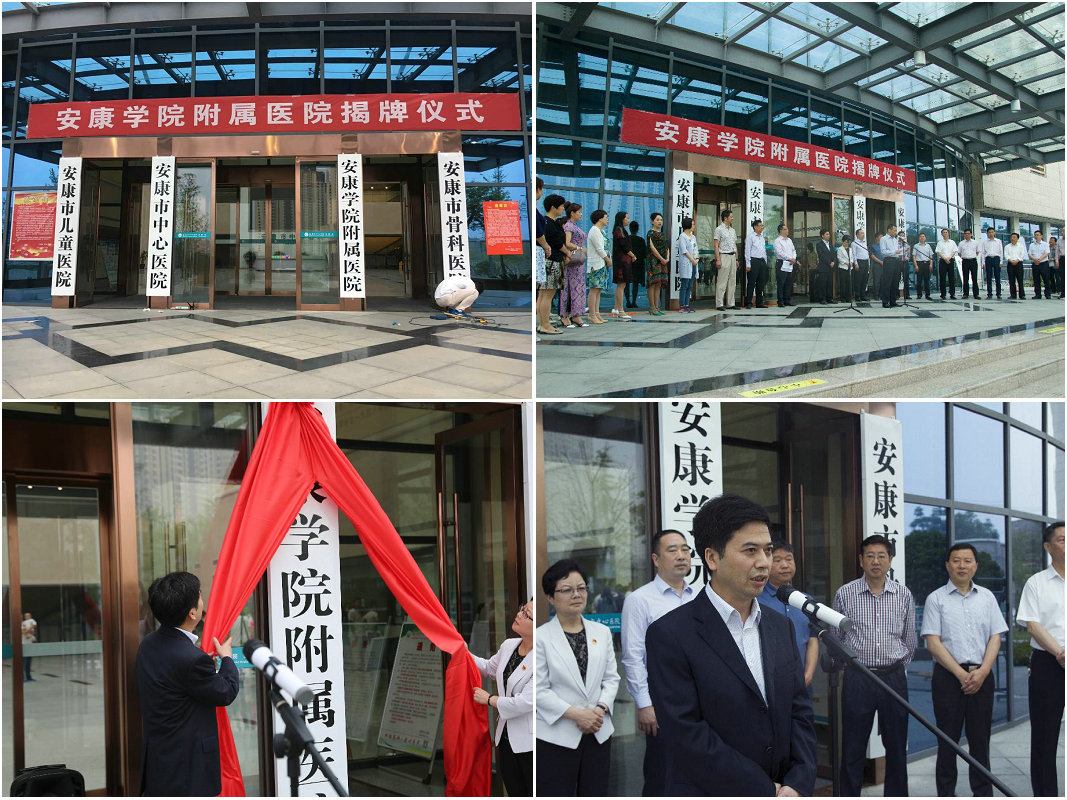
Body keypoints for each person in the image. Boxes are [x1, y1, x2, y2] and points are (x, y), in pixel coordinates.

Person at [646, 494, 817, 796]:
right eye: (750, 550)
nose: (764, 562)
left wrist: (798, 781)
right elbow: (686, 733)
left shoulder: (780, 626)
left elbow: (799, 710)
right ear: (712, 558)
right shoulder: (670, 634)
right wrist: (763, 788)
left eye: (767, 550)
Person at [136, 571, 239, 797]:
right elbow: (226, 692)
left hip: (159, 763)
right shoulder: (192, 659)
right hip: (188, 771)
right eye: (200, 596)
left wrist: (202, 669)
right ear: (192, 613)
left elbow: (175, 680)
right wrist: (227, 659)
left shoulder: (148, 645)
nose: (203, 601)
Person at [921, 543, 1008, 797]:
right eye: (956, 560)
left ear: (976, 566)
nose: (962, 565)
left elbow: (995, 637)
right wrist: (961, 675)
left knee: (980, 743)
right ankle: (946, 794)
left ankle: (982, 794)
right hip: (948, 678)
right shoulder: (936, 598)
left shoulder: (987, 597)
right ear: (948, 565)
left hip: (982, 676)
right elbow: (933, 643)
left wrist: (983, 672)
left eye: (967, 561)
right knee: (947, 742)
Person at [832, 534, 916, 797]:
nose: (876, 561)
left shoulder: (903, 594)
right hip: (858, 678)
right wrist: (852, 667)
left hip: (893, 677)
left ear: (890, 560)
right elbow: (837, 639)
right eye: (870, 556)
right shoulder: (845, 594)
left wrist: (896, 668)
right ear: (861, 560)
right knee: (853, 747)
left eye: (881, 556)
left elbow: (909, 641)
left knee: (897, 747)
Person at [620, 530, 696, 795]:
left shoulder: (700, 596)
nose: (681, 556)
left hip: (700, 700)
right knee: (662, 776)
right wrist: (644, 704)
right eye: (672, 550)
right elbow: (633, 656)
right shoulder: (639, 600)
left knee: (698, 774)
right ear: (656, 559)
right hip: (663, 701)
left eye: (685, 549)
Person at [535, 559, 619, 796]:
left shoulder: (602, 632)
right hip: (556, 736)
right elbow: (538, 689)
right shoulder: (540, 637)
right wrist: (578, 714)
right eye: (566, 590)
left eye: (581, 588)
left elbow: (611, 679)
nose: (576, 595)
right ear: (550, 597)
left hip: (598, 732)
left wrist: (599, 710)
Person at [1015, 521, 1065, 797]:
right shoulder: (1036, 583)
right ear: (1048, 547)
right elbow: (1032, 625)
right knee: (1045, 737)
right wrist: (1060, 652)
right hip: (1048, 663)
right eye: (1062, 540)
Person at [472, 600, 534, 797]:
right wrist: (461, 650)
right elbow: (489, 668)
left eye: (527, 615)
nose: (519, 614)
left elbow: (525, 702)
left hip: (531, 743)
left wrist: (490, 699)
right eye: (522, 609)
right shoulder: (509, 645)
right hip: (505, 738)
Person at [756, 541, 819, 691]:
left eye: (789, 559)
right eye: (777, 560)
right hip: (769, 685)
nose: (785, 565)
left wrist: (808, 675)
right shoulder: (756, 600)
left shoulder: (807, 601)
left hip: (802, 684)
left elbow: (812, 640)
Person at [537, 194, 567, 335]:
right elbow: (557, 243)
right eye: (561, 206)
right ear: (553, 207)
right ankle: (545, 324)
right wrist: (568, 253)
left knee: (543, 295)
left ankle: (542, 324)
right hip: (553, 261)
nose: (563, 209)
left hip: (549, 261)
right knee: (547, 295)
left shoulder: (548, 221)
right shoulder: (549, 223)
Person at [560, 202, 588, 328]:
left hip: (578, 264)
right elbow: (567, 243)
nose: (581, 214)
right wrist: (580, 248)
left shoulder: (575, 226)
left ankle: (576, 314)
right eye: (579, 212)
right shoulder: (568, 226)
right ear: (572, 213)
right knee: (569, 288)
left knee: (578, 288)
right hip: (571, 262)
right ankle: (565, 315)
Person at [585, 210, 611, 325]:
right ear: (599, 218)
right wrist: (607, 259)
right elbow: (599, 248)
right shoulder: (594, 230)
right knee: (594, 289)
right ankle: (591, 315)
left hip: (602, 264)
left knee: (599, 289)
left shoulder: (602, 231)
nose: (607, 219)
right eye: (605, 217)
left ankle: (597, 313)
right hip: (595, 264)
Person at [611, 211, 635, 321]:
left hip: (623, 261)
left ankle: (616, 308)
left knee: (621, 286)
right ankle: (620, 310)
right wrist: (632, 255)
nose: (628, 220)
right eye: (627, 218)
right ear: (622, 219)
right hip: (622, 262)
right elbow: (624, 246)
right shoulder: (619, 230)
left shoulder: (621, 230)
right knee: (621, 285)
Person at [714, 209, 738, 311]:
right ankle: (719, 304)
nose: (732, 218)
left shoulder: (733, 230)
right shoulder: (719, 229)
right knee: (722, 281)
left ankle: (730, 303)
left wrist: (736, 259)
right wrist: (718, 259)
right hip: (723, 255)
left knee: (732, 281)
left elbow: (734, 245)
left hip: (732, 256)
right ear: (725, 218)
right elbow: (716, 245)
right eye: (731, 217)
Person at [646, 213, 669, 316]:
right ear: (653, 221)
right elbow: (652, 248)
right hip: (653, 261)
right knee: (652, 283)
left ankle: (657, 306)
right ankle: (652, 307)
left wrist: (667, 258)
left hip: (663, 262)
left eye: (661, 220)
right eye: (657, 220)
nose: (660, 222)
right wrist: (661, 259)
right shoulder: (650, 233)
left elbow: (666, 247)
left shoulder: (663, 234)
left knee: (659, 283)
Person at [744, 218, 769, 309]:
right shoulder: (750, 237)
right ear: (755, 227)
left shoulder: (762, 238)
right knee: (751, 282)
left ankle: (759, 303)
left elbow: (763, 251)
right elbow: (747, 251)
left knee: (761, 283)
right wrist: (748, 264)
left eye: (762, 226)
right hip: (753, 261)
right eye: (760, 226)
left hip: (762, 261)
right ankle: (748, 302)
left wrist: (765, 262)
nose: (762, 227)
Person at [675, 216, 698, 313]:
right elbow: (684, 250)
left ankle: (687, 304)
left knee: (690, 285)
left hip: (693, 263)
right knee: (684, 285)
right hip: (687, 263)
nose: (694, 226)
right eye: (693, 224)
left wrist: (697, 258)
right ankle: (682, 305)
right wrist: (692, 259)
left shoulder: (693, 237)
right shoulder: (682, 236)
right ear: (688, 225)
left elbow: (696, 249)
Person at [773, 223, 797, 306]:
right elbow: (779, 253)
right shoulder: (777, 241)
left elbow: (793, 250)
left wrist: (793, 258)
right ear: (781, 231)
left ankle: (787, 300)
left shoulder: (789, 240)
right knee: (781, 283)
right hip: (782, 263)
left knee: (788, 282)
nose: (787, 230)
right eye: (785, 229)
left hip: (790, 263)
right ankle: (780, 301)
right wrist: (790, 258)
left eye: (787, 229)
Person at [879, 225, 902, 308]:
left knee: (895, 281)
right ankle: (885, 301)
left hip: (896, 261)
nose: (895, 232)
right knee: (887, 282)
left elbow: (897, 251)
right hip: (888, 261)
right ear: (889, 230)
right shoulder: (883, 239)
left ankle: (893, 301)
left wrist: (898, 252)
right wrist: (895, 252)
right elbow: (883, 252)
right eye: (894, 230)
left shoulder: (895, 240)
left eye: (896, 230)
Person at [628, 220, 647, 310]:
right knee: (635, 283)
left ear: (630, 228)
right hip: (638, 264)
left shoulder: (627, 239)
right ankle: (634, 301)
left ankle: (628, 301)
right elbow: (644, 254)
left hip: (628, 263)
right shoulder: (641, 240)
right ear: (637, 229)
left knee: (627, 283)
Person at [980, 227, 1003, 299]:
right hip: (988, 259)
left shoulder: (998, 241)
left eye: (992, 232)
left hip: (996, 259)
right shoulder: (985, 242)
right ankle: (989, 294)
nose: (991, 233)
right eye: (989, 232)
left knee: (997, 277)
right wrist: (983, 263)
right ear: (987, 233)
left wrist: (1001, 262)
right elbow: (983, 253)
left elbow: (1001, 252)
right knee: (988, 277)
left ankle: (998, 293)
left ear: (994, 233)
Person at [1004, 232, 1027, 299]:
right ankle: (1013, 295)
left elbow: (1022, 254)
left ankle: (1022, 295)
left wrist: (1017, 260)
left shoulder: (1021, 246)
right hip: (1010, 264)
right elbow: (1006, 255)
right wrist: (1010, 260)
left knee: (1020, 280)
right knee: (1011, 280)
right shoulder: (1007, 246)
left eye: (1014, 237)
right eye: (1011, 237)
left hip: (1018, 263)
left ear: (1017, 238)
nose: (1012, 238)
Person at [815, 228, 835, 304]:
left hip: (830, 267)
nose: (828, 235)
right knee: (823, 284)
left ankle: (829, 298)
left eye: (829, 234)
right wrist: (829, 262)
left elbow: (833, 254)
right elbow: (821, 255)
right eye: (826, 234)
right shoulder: (819, 245)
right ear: (822, 236)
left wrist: (833, 261)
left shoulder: (830, 244)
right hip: (823, 267)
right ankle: (822, 299)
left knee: (830, 283)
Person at [957, 229, 980, 299]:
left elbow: (977, 252)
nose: (967, 235)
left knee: (974, 278)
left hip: (973, 261)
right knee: (965, 278)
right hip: (965, 261)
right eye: (966, 234)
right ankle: (965, 294)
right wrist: (965, 257)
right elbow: (959, 253)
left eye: (968, 233)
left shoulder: (975, 242)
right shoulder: (961, 243)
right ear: (964, 235)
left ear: (971, 234)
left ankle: (976, 294)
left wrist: (972, 256)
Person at [1029, 229, 1051, 299]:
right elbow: (1029, 254)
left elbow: (1047, 253)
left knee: (1046, 279)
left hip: (1043, 263)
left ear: (1041, 236)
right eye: (1035, 235)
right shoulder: (1032, 245)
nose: (1036, 236)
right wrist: (1035, 259)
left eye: (1038, 235)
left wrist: (1039, 259)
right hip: (1035, 264)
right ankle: (1038, 294)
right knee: (1036, 279)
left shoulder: (1045, 244)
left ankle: (1048, 294)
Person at [535, 177, 549, 291]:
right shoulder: (533, 210)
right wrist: (546, 246)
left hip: (538, 251)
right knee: (536, 285)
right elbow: (538, 232)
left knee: (537, 286)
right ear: (538, 189)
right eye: (542, 188)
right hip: (537, 251)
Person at [913, 232, 934, 300]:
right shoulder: (916, 246)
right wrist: (916, 265)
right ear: (919, 238)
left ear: (925, 238)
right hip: (919, 264)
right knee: (919, 280)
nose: (922, 237)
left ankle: (927, 294)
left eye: (923, 236)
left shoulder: (928, 246)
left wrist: (931, 264)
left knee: (927, 280)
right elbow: (914, 256)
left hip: (927, 264)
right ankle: (919, 294)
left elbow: (931, 256)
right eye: (921, 236)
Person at [852, 228, 870, 301]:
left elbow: (867, 253)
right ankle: (857, 296)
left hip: (866, 262)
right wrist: (856, 264)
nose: (863, 234)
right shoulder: (854, 243)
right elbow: (854, 254)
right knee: (858, 280)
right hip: (859, 262)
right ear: (857, 235)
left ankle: (863, 295)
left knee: (864, 280)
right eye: (861, 233)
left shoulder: (864, 243)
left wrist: (868, 264)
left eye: (863, 233)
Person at [837, 234, 855, 303]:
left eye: (848, 242)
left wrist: (851, 262)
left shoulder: (850, 249)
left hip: (849, 268)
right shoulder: (840, 249)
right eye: (845, 242)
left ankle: (848, 298)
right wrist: (846, 263)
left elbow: (852, 257)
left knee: (849, 283)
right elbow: (839, 258)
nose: (847, 243)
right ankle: (843, 298)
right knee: (843, 283)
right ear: (843, 241)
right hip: (843, 268)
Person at [21, 611, 37, 682]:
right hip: (24, 645)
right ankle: (23, 678)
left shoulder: (31, 621)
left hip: (29, 645)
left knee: (28, 662)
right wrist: (30, 628)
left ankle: (28, 677)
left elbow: (32, 631)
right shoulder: (21, 624)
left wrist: (29, 630)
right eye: (25, 616)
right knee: (24, 662)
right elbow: (23, 632)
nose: (26, 617)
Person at [869, 227, 884, 300]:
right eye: (881, 237)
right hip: (877, 265)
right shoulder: (873, 246)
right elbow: (872, 256)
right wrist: (880, 262)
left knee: (883, 280)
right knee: (877, 280)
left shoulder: (884, 246)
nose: (882, 238)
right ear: (876, 238)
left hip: (884, 265)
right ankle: (876, 295)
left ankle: (882, 295)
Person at [1054, 234, 1065, 298]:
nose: (1062, 233)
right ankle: (1063, 293)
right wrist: (1057, 261)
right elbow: (1057, 251)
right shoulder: (1059, 240)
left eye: (1064, 231)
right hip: (1062, 259)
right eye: (1062, 231)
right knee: (1062, 277)